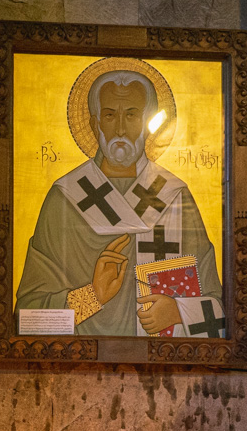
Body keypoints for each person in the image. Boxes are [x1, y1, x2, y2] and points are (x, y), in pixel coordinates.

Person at [16, 67, 224, 338]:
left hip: (160, 357)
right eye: (110, 115)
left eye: (132, 115)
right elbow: (26, 319)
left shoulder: (174, 196)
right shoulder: (64, 199)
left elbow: (220, 313)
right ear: (95, 125)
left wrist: (177, 312)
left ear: (148, 123)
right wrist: (92, 297)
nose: (121, 129)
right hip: (80, 356)